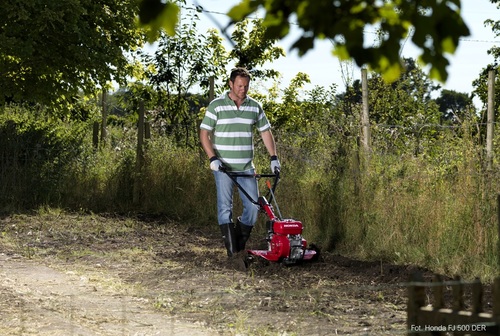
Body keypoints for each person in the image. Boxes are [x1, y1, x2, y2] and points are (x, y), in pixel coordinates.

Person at [199, 67, 280, 259]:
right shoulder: (217, 105)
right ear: (231, 84)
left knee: (253, 208)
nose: (243, 89)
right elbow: (204, 134)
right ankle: (233, 253)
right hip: (223, 167)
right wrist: (213, 158)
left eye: (246, 86)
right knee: (224, 207)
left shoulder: (254, 107)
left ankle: (238, 242)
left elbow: (265, 132)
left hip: (246, 168)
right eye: (239, 85)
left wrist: (274, 157)